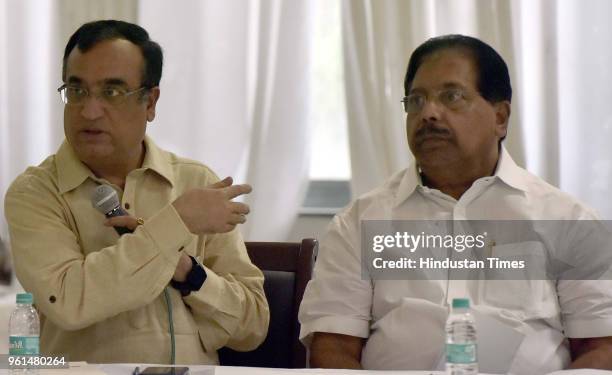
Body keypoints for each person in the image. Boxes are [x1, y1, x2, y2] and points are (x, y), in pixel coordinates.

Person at [298, 34, 612, 373]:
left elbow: (601, 348)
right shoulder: (359, 221)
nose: (429, 113)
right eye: (416, 101)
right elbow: (333, 348)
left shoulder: (568, 220)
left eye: (452, 96)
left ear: (500, 117)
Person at [4, 20, 269, 364]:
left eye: (111, 92)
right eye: (77, 90)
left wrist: (190, 272)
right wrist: (174, 224)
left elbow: (252, 328)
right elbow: (69, 302)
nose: (89, 111)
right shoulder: (35, 193)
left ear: (150, 102)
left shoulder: (196, 183)